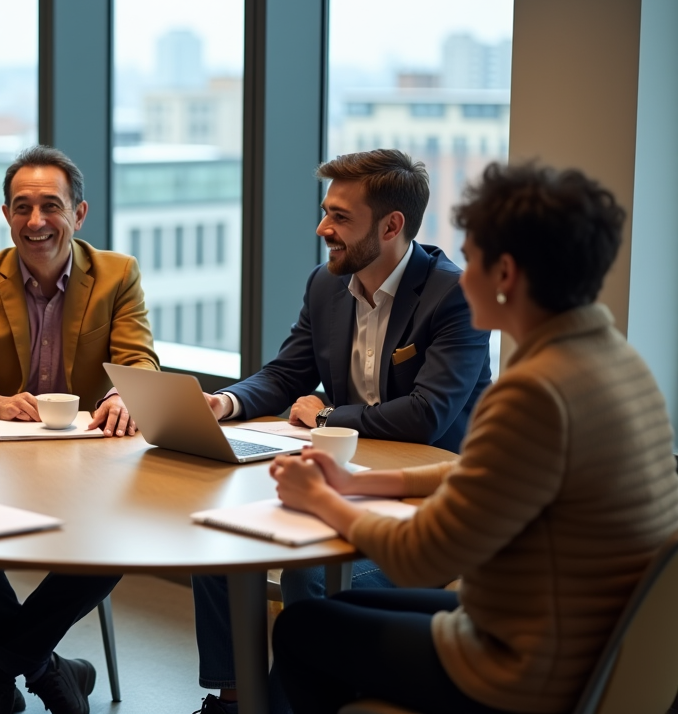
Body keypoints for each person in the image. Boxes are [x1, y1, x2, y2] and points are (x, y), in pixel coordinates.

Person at [267, 163, 678, 714]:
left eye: (472, 255)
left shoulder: (536, 393)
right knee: (343, 611)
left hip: (521, 666)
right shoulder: (615, 363)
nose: (461, 272)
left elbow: (419, 557)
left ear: (504, 273)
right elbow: (487, 472)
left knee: (304, 631)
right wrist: (363, 483)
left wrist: (320, 499)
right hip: (579, 641)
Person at [191, 149, 492, 714]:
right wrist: (227, 401)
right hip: (340, 483)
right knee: (219, 548)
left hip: (422, 498)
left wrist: (326, 417)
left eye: (339, 217)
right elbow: (287, 373)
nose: (322, 228)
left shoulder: (453, 296)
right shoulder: (327, 286)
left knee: (314, 586)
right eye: (325, 211)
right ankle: (234, 699)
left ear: (391, 225)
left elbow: (428, 413)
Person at [0, 145, 159, 714]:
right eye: (22, 207)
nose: (35, 222)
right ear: (5, 214)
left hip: (94, 473)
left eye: (50, 206)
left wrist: (123, 395)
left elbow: (139, 364)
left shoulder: (117, 274)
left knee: (111, 548)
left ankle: (0, 671)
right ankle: (51, 670)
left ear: (79, 215)